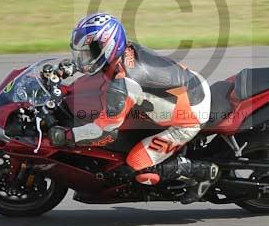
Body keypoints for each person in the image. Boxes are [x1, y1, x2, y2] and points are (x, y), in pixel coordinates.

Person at [50, 12, 219, 203]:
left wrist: (67, 136)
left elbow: (103, 130)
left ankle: (202, 171)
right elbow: (94, 63)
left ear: (108, 47)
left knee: (138, 165)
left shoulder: (124, 84)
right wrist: (67, 69)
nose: (84, 58)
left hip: (190, 116)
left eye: (87, 53)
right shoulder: (124, 51)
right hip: (189, 86)